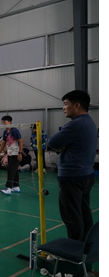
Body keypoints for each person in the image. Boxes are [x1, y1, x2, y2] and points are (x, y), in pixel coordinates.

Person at [46, 89, 98, 242]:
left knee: (72, 217)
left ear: (77, 105)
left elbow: (52, 142)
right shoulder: (89, 122)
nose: (64, 108)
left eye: (65, 104)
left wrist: (61, 146)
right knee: (84, 213)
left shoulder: (76, 124)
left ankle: (74, 251)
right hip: (86, 175)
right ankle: (86, 248)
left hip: (72, 178)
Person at [0, 115, 23, 195]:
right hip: (10, 153)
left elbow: (21, 141)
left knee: (11, 170)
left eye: (5, 121)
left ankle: (8, 188)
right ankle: (16, 186)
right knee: (14, 170)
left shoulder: (14, 131)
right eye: (2, 122)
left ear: (9, 122)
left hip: (15, 153)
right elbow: (3, 143)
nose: (3, 123)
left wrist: (20, 153)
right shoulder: (5, 132)